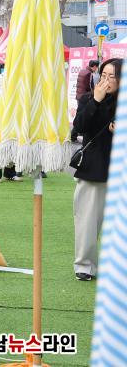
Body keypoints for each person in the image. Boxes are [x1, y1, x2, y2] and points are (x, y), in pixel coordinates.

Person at [72, 58, 121, 281]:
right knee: (87, 221)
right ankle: (85, 265)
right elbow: (79, 127)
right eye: (103, 75)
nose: (106, 80)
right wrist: (96, 101)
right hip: (94, 168)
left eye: (112, 76)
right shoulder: (88, 99)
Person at [72, 59, 100, 142]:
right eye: (97, 67)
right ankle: (75, 136)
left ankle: (73, 135)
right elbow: (89, 87)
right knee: (83, 118)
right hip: (84, 97)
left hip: (79, 96)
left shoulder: (82, 71)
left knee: (80, 117)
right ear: (94, 66)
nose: (96, 69)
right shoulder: (89, 74)